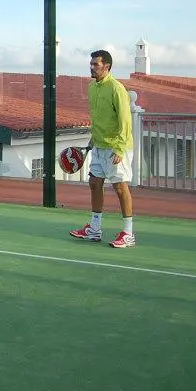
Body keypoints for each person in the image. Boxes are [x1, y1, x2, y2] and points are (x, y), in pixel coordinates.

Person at [69, 50, 137, 248]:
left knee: (120, 187)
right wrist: (93, 141)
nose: (91, 67)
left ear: (106, 66)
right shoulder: (92, 87)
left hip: (117, 147)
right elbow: (99, 119)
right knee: (94, 183)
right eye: (91, 64)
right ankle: (94, 229)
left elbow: (125, 121)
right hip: (99, 146)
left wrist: (119, 149)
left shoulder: (117, 89)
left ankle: (128, 233)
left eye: (95, 64)